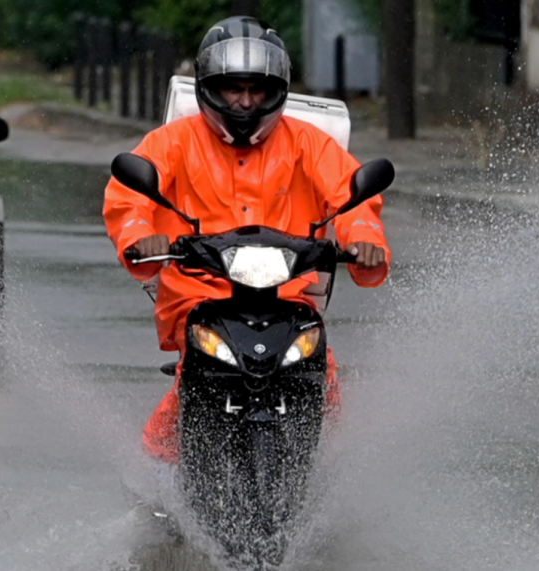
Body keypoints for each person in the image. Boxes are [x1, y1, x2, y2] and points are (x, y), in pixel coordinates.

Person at [103, 16, 390, 464]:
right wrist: (141, 237)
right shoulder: (172, 142)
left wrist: (364, 240)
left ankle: (330, 471)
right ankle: (155, 470)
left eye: (257, 90)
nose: (245, 101)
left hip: (288, 294)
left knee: (325, 375)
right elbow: (129, 196)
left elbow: (352, 195)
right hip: (199, 292)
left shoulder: (310, 144)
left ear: (278, 91)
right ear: (208, 88)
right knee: (193, 373)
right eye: (233, 88)